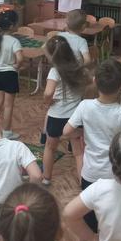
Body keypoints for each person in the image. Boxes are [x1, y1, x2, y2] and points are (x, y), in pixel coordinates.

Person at [63, 59, 121, 241]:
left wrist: (82, 133)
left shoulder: (85, 106)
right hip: (116, 176)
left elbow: (67, 131)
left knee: (87, 220)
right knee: (113, 219)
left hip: (91, 174)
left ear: (94, 81)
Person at [42, 35, 90, 185]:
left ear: (53, 56)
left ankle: (46, 178)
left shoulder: (54, 71)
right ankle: (82, 182)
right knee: (78, 152)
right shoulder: (78, 69)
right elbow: (90, 82)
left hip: (56, 115)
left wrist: (47, 101)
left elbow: (48, 93)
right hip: (75, 117)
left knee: (50, 147)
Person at [0, 10, 23, 139]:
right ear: (11, 26)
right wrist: (17, 66)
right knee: (8, 105)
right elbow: (20, 58)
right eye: (17, 23)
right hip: (10, 74)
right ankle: (7, 132)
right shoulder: (14, 41)